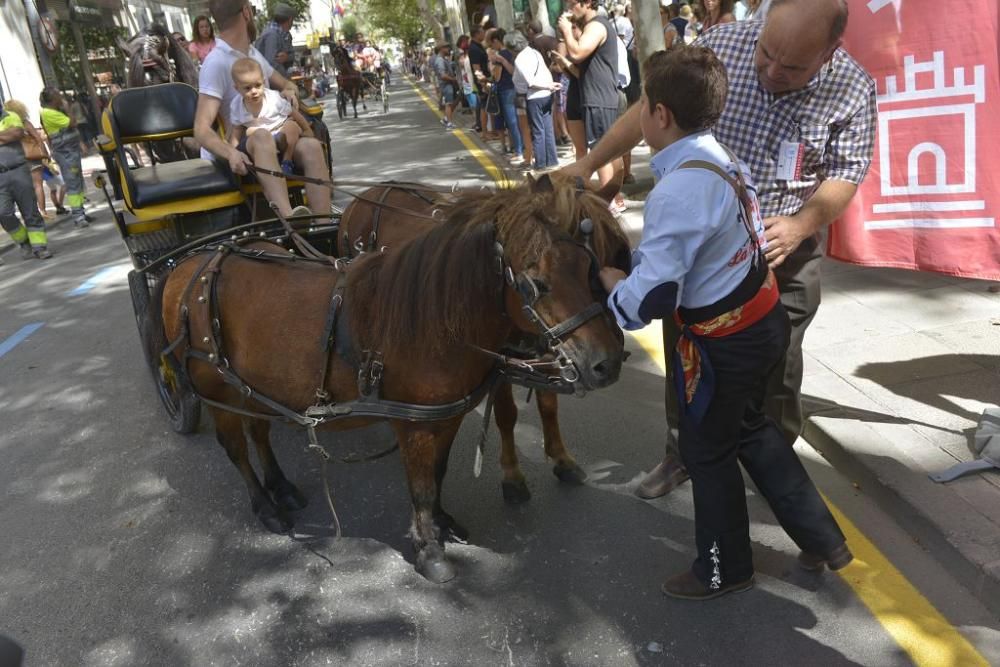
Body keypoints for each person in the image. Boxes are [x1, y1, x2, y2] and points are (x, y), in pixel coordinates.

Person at [564, 0, 877, 499]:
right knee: (686, 354)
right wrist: (587, 164)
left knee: (776, 366)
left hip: (781, 255)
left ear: (829, 52)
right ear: (762, 27)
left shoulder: (854, 88)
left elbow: (846, 172)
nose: (772, 72)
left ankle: (773, 470)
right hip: (701, 253)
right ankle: (682, 454)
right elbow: (650, 109)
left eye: (793, 66)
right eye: (766, 53)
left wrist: (803, 224)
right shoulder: (720, 46)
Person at [600, 45, 851, 601]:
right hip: (760, 323)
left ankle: (724, 568)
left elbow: (652, 300)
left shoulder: (677, 190)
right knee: (751, 429)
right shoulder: (718, 156)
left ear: (660, 114)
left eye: (642, 102)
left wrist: (613, 286)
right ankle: (822, 538)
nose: (640, 113)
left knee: (707, 451)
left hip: (724, 343)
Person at [195, 0, 331, 219]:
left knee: (311, 147)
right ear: (247, 13)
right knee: (261, 137)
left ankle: (324, 226)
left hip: (275, 135)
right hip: (243, 145)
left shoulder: (252, 54)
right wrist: (231, 153)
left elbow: (287, 84)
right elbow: (200, 130)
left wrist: (289, 92)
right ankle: (292, 221)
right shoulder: (216, 62)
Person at [557, 0, 624, 209]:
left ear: (587, 3)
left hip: (599, 99)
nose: (569, 7)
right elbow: (583, 70)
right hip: (596, 98)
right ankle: (612, 199)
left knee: (601, 154)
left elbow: (577, 53)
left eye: (572, 2)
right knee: (606, 153)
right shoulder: (593, 26)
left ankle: (607, 205)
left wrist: (567, 31)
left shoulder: (596, 25)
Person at [229, 58, 313, 177]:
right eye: (247, 88)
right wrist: (233, 151)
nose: (254, 91)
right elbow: (236, 131)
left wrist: (306, 129)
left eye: (258, 85)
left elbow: (294, 113)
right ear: (237, 88)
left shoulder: (273, 99)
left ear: (263, 82)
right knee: (248, 131)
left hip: (280, 128)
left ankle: (286, 161)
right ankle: (263, 164)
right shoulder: (236, 106)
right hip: (260, 137)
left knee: (291, 126)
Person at [0, 105, 52, 259]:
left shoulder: (11, 116)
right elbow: (8, 136)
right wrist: (4, 136)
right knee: (3, 213)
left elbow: (16, 133)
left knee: (30, 210)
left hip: (18, 170)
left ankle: (40, 247)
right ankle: (24, 241)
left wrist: (9, 136)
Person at [39, 88, 92, 228]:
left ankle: (81, 211)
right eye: (58, 95)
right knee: (73, 182)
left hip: (70, 150)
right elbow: (72, 124)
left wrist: (80, 144)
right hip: (66, 152)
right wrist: (68, 108)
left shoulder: (54, 112)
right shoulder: (49, 113)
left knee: (77, 180)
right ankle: (78, 216)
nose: (61, 98)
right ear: (52, 99)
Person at [511, 30, 560, 170]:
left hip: (535, 96)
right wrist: (550, 86)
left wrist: (547, 86)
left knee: (538, 131)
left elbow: (530, 82)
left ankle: (540, 163)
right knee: (548, 129)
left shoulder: (520, 59)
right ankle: (552, 161)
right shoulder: (534, 52)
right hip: (547, 94)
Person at [3, 100, 50, 220]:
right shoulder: (25, 123)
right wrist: (44, 153)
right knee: (38, 185)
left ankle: (30, 213)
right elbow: (38, 138)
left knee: (26, 190)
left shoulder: (6, 125)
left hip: (17, 160)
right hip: (33, 158)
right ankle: (42, 211)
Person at [488, 29, 524, 165]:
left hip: (505, 90)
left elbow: (496, 77)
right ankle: (523, 149)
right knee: (520, 121)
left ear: (497, 41)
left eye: (493, 44)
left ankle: (519, 151)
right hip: (516, 87)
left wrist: (493, 64)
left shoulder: (500, 55)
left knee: (512, 122)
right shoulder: (514, 52)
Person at [255, 2, 296, 78]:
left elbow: (292, 55)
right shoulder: (271, 35)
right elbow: (271, 64)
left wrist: (287, 57)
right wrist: (285, 81)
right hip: (274, 83)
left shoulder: (287, 35)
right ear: (290, 19)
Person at [432, 43, 459, 130]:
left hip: (448, 84)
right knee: (449, 103)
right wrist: (453, 79)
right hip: (446, 84)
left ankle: (446, 119)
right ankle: (449, 123)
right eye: (447, 48)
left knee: (454, 101)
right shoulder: (440, 60)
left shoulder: (443, 59)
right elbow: (443, 75)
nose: (449, 49)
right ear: (441, 49)